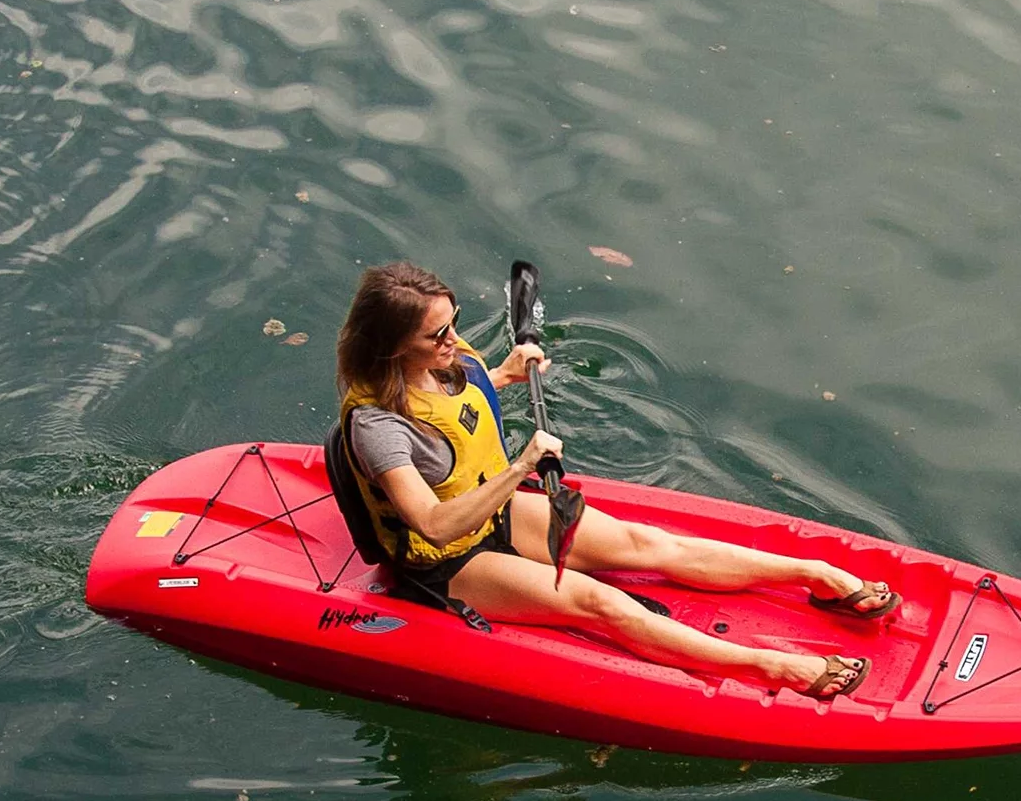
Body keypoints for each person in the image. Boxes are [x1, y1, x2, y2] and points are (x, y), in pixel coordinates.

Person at [328, 261, 898, 700]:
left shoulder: (443, 361)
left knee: (646, 545)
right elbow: (430, 520)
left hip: (496, 514)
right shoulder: (379, 427)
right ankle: (771, 666)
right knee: (604, 603)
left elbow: (471, 398)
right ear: (392, 346)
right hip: (448, 559)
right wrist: (524, 467)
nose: (452, 341)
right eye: (436, 335)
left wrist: (508, 370)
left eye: (451, 324)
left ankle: (812, 572)